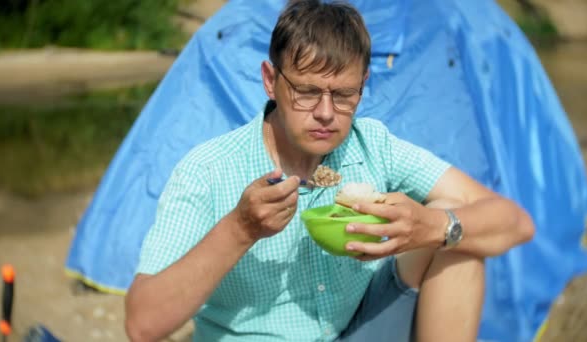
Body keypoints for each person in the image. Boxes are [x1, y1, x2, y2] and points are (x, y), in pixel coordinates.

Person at [124, 1, 535, 341]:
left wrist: (428, 226)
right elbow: (142, 324)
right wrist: (239, 229)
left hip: (358, 328)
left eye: (343, 95)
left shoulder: (373, 144)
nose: (325, 114)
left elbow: (516, 223)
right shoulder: (208, 169)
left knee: (457, 234)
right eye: (305, 91)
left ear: (364, 85)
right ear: (270, 80)